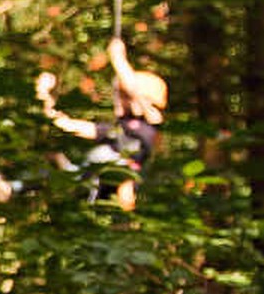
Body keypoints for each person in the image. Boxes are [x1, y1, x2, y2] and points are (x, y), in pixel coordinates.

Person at [38, 32, 167, 210]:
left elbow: (135, 91)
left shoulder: (151, 123)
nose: (120, 100)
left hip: (120, 193)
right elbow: (68, 125)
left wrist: (118, 59)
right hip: (93, 188)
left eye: (124, 96)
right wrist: (44, 96)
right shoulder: (115, 131)